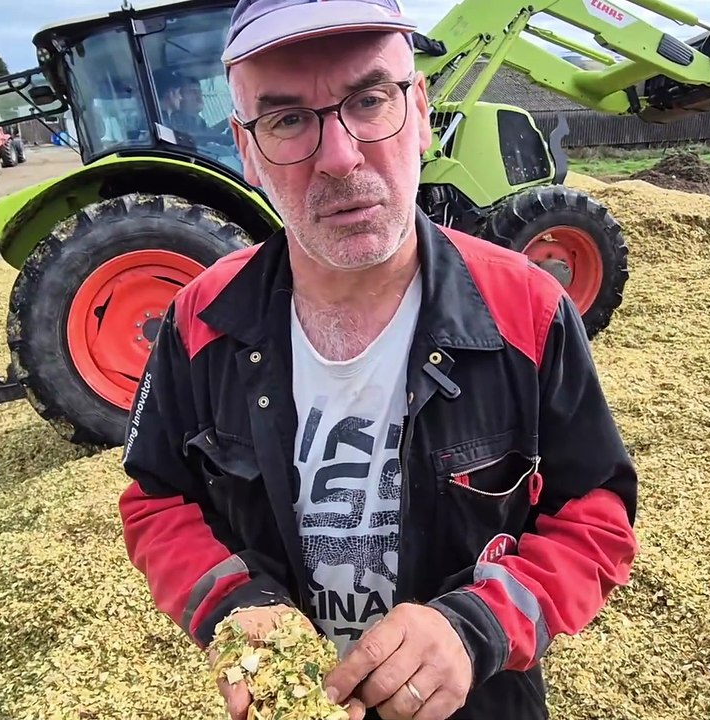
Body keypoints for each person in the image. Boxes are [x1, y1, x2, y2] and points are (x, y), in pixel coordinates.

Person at [118, 1, 640, 719]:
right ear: (247, 149)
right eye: (288, 120)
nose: (339, 157)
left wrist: (477, 626)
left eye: (369, 100)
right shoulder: (200, 321)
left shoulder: (526, 309)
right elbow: (157, 498)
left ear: (420, 109)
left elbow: (596, 513)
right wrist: (232, 602)